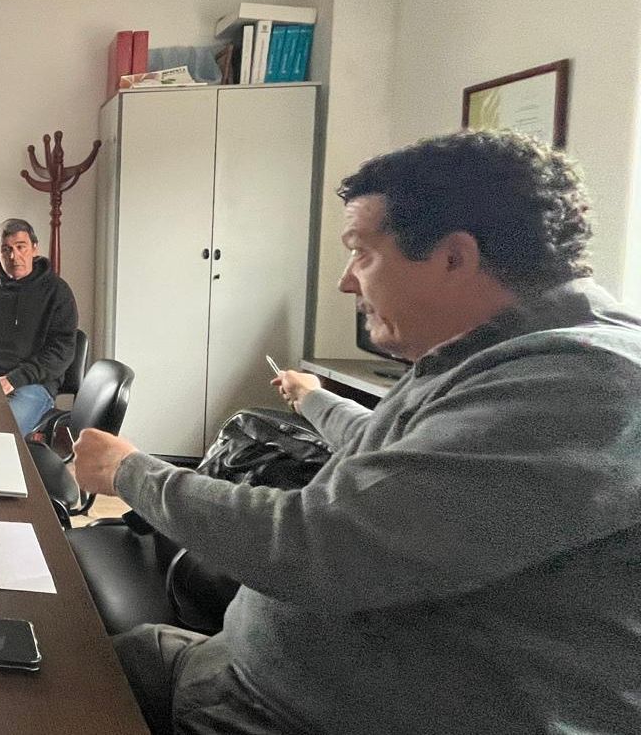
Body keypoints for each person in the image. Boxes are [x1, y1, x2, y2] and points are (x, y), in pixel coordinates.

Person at [74, 130, 641, 734]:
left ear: (454, 257)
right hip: (252, 676)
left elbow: (318, 547)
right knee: (66, 663)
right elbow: (404, 461)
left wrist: (129, 472)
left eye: (362, 253)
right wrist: (317, 401)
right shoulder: (500, 359)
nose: (347, 281)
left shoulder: (585, 386)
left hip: (294, 717)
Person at [0, 218, 78, 434]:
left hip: (32, 384)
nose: (14, 256)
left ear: (34, 248)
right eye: (6, 249)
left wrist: (13, 380)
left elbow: (62, 351)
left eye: (21, 247)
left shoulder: (57, 292)